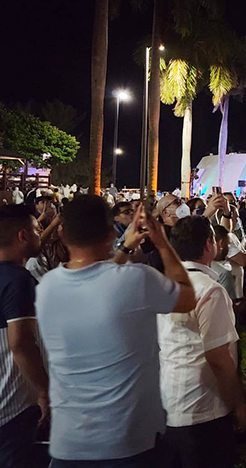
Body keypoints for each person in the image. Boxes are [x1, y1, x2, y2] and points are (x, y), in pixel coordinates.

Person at [36, 196, 196, 466]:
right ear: (111, 232)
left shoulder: (46, 288)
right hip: (128, 444)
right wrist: (162, 242)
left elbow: (98, 281)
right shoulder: (138, 279)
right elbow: (187, 297)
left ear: (62, 233)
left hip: (68, 445)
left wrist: (125, 247)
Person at [159, 216, 246, 467]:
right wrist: (239, 404)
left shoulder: (165, 284)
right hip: (203, 408)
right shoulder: (210, 290)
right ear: (210, 244)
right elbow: (219, 358)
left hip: (170, 401)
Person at [0, 205, 49, 467]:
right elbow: (20, 343)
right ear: (23, 236)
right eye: (37, 229)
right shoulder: (18, 281)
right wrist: (45, 391)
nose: (41, 232)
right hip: (11, 409)